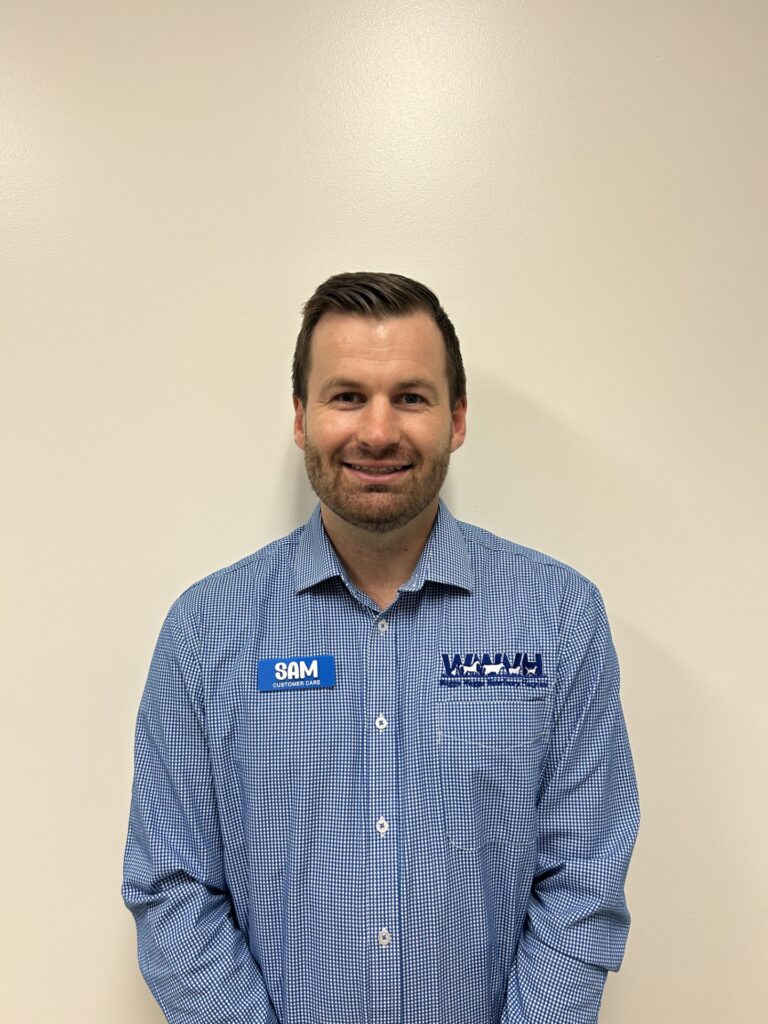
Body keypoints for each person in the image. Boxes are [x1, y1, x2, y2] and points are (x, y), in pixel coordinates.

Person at [122, 272, 639, 1024]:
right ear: (300, 418)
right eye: (346, 396)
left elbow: (583, 880)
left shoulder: (557, 617)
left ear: (457, 419)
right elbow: (172, 886)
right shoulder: (207, 630)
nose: (376, 431)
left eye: (411, 397)